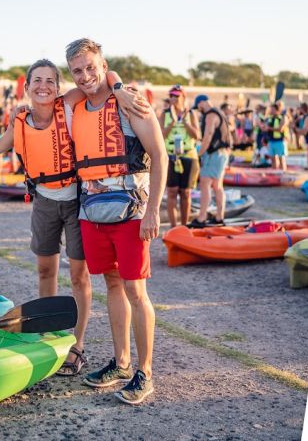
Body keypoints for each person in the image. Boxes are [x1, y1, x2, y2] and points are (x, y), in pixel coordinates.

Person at [0, 59, 149, 379]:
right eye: (37, 81)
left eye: (50, 81)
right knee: (45, 270)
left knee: (78, 277)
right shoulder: (20, 119)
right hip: (43, 200)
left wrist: (118, 88)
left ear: (57, 88)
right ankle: (47, 336)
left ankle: (77, 344)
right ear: (27, 87)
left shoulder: (68, 104)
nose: (43, 86)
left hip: (76, 200)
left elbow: (101, 76)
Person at [66, 38, 166, 406]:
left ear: (103, 65)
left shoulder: (131, 102)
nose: (86, 75)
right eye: (78, 70)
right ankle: (122, 362)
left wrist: (153, 211)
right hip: (92, 211)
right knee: (111, 283)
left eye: (91, 67)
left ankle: (145, 371)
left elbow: (159, 153)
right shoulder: (75, 104)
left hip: (131, 211)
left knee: (136, 290)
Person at [159, 85, 200, 228]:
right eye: (171, 95)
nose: (173, 98)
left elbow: (197, 135)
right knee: (172, 192)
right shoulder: (165, 114)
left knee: (186, 193)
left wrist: (184, 122)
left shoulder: (191, 113)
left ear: (183, 97)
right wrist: (172, 123)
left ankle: (184, 226)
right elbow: (160, 136)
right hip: (171, 156)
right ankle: (173, 227)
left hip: (188, 156)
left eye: (176, 96)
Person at [190, 94, 232, 228]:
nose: (198, 109)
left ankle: (202, 218)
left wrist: (199, 154)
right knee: (217, 186)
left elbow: (208, 137)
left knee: (205, 185)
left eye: (198, 107)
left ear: (202, 103)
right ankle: (219, 217)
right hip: (222, 153)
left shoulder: (210, 115)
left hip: (214, 154)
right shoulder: (220, 113)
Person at [262, 102, 287, 170]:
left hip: (279, 141)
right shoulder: (270, 118)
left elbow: (280, 129)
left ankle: (283, 172)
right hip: (271, 141)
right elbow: (264, 127)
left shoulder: (282, 117)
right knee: (273, 159)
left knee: (281, 158)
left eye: (272, 109)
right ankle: (274, 172)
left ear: (277, 110)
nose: (271, 111)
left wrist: (269, 128)